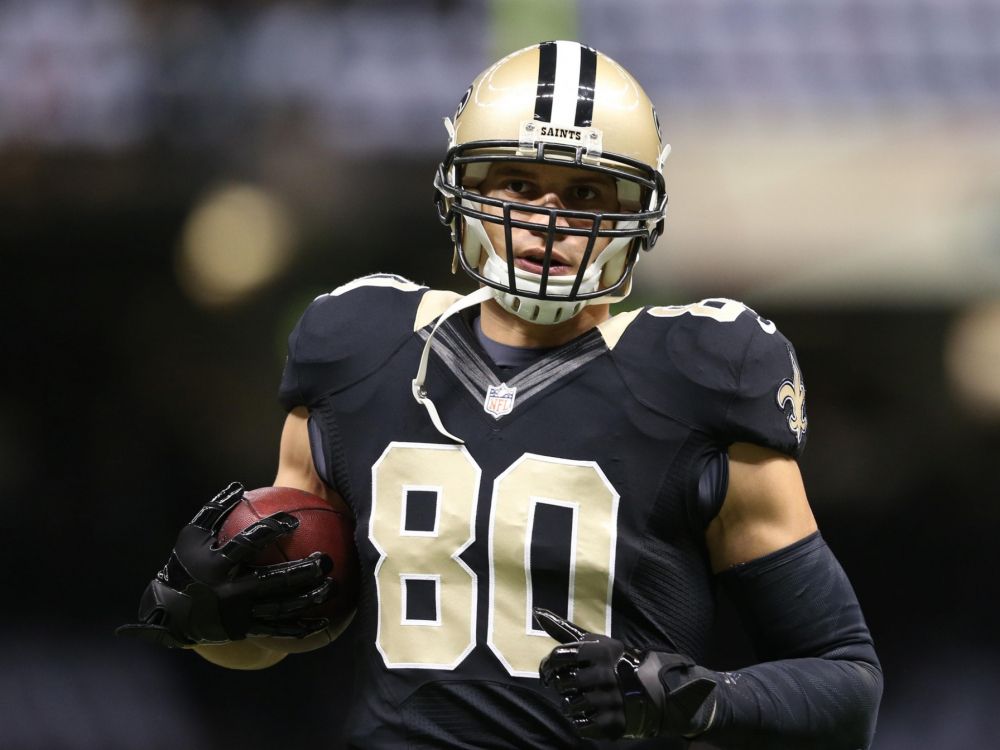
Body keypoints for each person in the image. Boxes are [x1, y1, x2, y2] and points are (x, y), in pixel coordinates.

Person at [120, 41, 883, 748]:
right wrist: (209, 618)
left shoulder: (702, 373)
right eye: (519, 182)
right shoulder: (356, 350)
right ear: (464, 187)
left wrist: (703, 698)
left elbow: (846, 682)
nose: (547, 217)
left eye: (585, 190)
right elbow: (289, 627)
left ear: (636, 214)